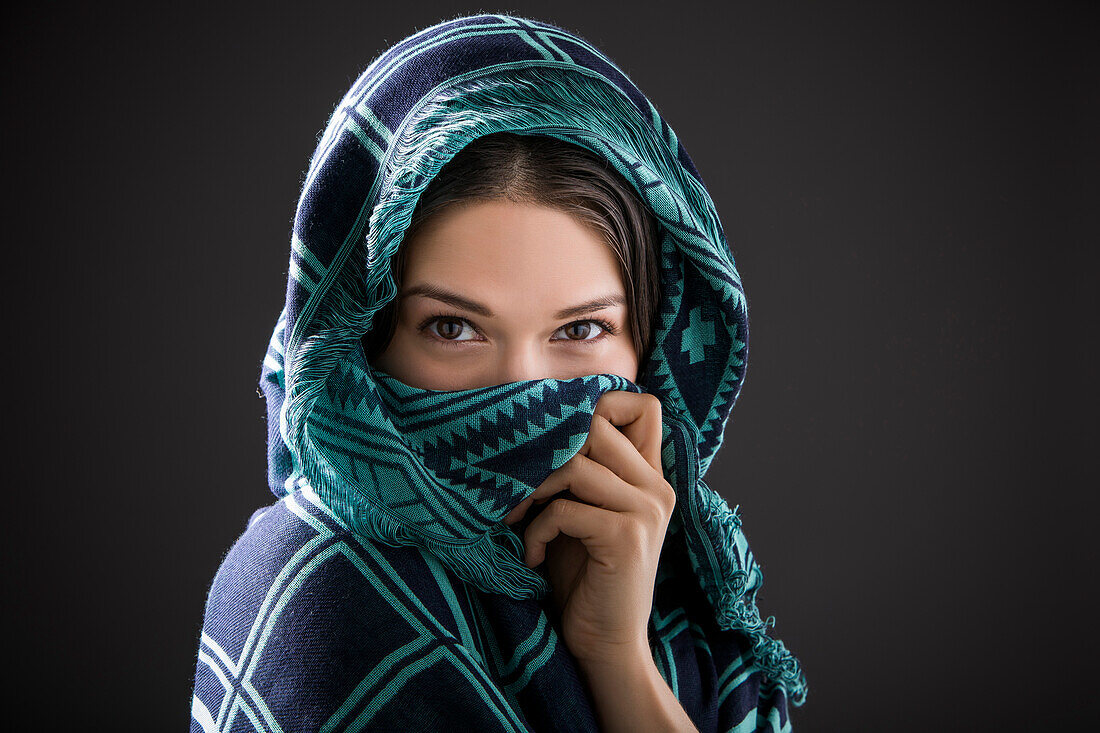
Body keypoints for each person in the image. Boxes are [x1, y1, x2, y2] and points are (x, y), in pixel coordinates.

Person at [190, 13, 806, 732]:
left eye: (581, 330)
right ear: (362, 343)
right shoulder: (317, 592)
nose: (524, 390)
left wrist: (619, 658)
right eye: (453, 328)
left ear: (651, 350)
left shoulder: (678, 601)